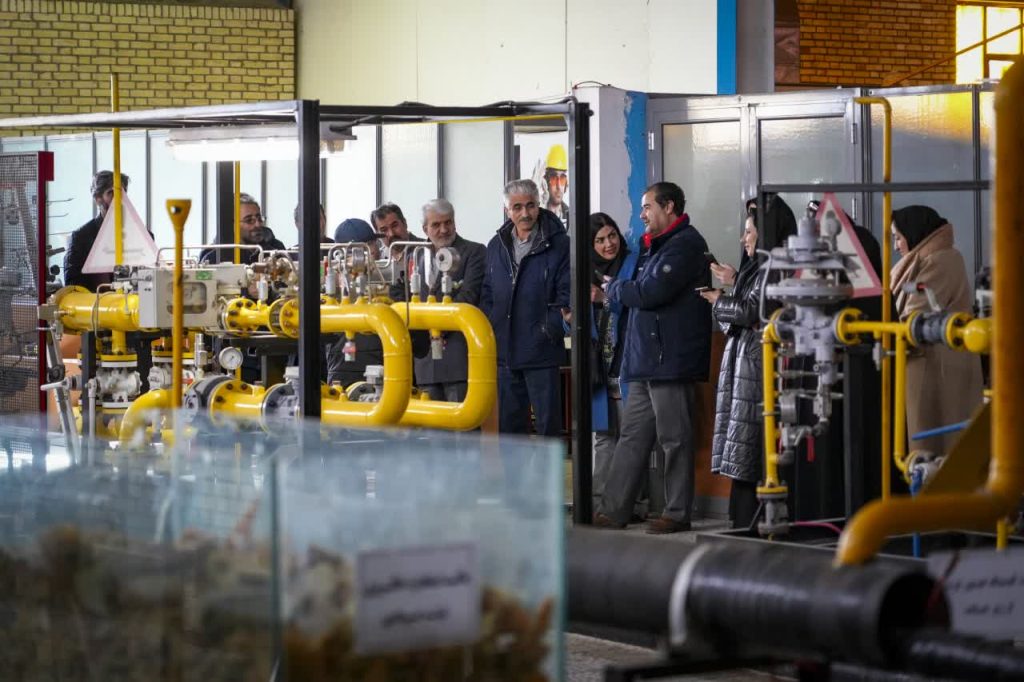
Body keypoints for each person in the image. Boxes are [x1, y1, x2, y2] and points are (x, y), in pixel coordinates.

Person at [595, 182, 711, 534]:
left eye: (647, 207)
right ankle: (613, 511)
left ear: (669, 206)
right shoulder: (654, 247)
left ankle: (676, 513)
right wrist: (623, 290)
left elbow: (649, 293)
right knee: (632, 437)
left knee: (674, 439)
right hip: (645, 360)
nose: (642, 214)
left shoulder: (686, 245)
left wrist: (613, 287)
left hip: (670, 362)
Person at [703, 196, 797, 529]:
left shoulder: (776, 265)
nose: (744, 239)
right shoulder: (758, 266)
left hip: (758, 367)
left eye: (749, 232)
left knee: (752, 445)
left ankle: (752, 521)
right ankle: (743, 520)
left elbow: (749, 311)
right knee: (745, 444)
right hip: (747, 364)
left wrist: (719, 300)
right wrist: (733, 285)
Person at [891, 205, 983, 456]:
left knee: (934, 444)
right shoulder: (925, 260)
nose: (896, 246)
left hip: (938, 367)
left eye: (898, 237)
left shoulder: (941, 261)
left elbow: (914, 315)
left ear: (915, 233)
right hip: (930, 364)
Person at [481, 178, 570, 437]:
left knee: (548, 429)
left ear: (539, 205)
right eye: (517, 207)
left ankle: (548, 469)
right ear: (507, 210)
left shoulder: (559, 244)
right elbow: (487, 292)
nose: (525, 213)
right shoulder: (496, 245)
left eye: (530, 205)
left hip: (542, 349)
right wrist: (493, 325)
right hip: (505, 352)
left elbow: (566, 292)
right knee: (510, 432)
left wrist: (550, 328)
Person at [587, 212, 645, 517]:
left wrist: (605, 299)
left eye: (612, 236)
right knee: (604, 436)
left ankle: (633, 504)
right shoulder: (584, 271)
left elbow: (638, 305)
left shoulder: (634, 262)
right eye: (599, 240)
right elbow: (577, 322)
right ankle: (600, 503)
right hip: (599, 367)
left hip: (628, 361)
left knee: (631, 437)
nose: (608, 244)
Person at [412, 199, 487, 403]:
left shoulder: (474, 252)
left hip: (458, 360)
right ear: (425, 229)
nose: (444, 230)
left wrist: (436, 327)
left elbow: (469, 297)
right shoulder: (417, 256)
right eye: (436, 225)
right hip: (426, 362)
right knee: (429, 423)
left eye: (448, 222)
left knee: (462, 422)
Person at [327, 218, 384, 388]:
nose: (374, 250)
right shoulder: (332, 283)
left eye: (373, 243)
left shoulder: (387, 275)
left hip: (383, 364)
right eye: (369, 245)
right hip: (344, 368)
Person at [64, 170, 130, 291]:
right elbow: (73, 287)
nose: (120, 198)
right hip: (98, 301)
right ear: (98, 199)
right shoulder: (81, 238)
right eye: (112, 192)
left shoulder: (142, 235)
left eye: (123, 192)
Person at [200, 193, 286, 265]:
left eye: (259, 218)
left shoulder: (276, 249)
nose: (258, 224)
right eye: (249, 220)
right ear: (232, 224)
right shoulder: (214, 257)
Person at [540, 144, 569, 223]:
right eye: (553, 178)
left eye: (562, 178)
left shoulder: (572, 216)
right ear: (545, 182)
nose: (559, 186)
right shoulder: (536, 216)